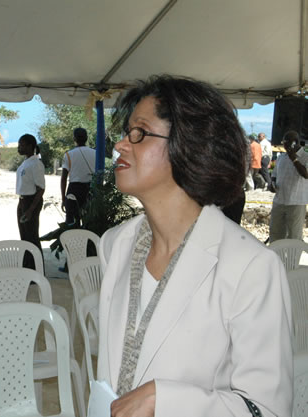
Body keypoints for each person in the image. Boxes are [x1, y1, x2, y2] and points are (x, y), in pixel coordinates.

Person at [98, 75, 292, 417]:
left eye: (139, 133)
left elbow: (267, 409)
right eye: (126, 132)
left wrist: (167, 401)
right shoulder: (115, 245)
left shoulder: (250, 267)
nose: (120, 145)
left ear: (189, 145)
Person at [269, 130, 308, 242]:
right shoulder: (281, 157)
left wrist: (294, 159)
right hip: (279, 201)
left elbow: (306, 174)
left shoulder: (305, 156)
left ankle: (292, 259)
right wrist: (272, 185)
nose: (284, 145)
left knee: (293, 236)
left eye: (286, 142)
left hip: (296, 203)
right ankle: (276, 259)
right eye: (283, 142)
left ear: (294, 143)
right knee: (275, 234)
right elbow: (275, 175)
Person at [15, 134, 45, 270]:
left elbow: (40, 189)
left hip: (31, 201)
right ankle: (27, 267)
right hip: (22, 201)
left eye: (21, 145)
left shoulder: (36, 164)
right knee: (25, 236)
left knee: (32, 237)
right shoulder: (26, 162)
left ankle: (37, 269)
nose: (19, 147)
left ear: (30, 146)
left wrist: (30, 210)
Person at [60, 127, 95, 226]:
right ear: (87, 138)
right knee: (89, 222)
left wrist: (63, 199)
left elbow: (63, 179)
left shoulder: (68, 155)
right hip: (91, 189)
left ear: (74, 139)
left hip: (74, 190)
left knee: (72, 223)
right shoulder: (95, 153)